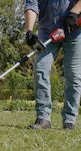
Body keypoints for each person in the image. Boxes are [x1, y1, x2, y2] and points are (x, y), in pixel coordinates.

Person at [25, 0, 81, 130]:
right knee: (40, 68)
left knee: (73, 76)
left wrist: (74, 13)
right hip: (47, 31)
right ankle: (43, 118)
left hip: (73, 28)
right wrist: (29, 31)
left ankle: (69, 119)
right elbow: (31, 5)